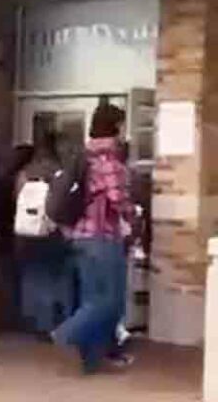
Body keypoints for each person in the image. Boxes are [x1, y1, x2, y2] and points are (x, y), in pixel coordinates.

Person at [51, 102, 133, 374]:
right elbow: (118, 200)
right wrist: (134, 215)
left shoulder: (84, 157)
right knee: (109, 302)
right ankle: (65, 334)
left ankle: (91, 360)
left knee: (91, 299)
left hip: (80, 238)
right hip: (102, 238)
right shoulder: (108, 161)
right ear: (116, 127)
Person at [14, 132, 74, 335]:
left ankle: (38, 321)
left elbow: (17, 200)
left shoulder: (25, 173)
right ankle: (61, 322)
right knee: (59, 277)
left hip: (27, 232)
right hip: (54, 231)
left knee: (34, 276)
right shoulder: (60, 172)